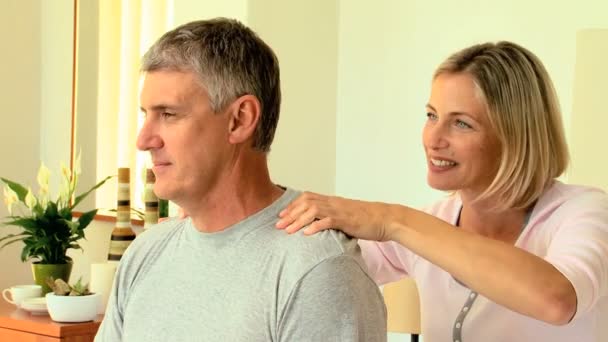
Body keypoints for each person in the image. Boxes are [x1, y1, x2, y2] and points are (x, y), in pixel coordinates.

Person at [276, 41, 608, 341]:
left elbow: (557, 300)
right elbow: (319, 271)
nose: (434, 139)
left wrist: (392, 219)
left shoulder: (583, 211)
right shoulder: (430, 224)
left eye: (461, 123)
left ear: (515, 135)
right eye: (431, 116)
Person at [95, 18, 386, 342]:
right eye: (145, 115)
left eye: (168, 114)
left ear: (239, 120)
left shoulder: (318, 270)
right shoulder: (146, 253)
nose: (144, 139)